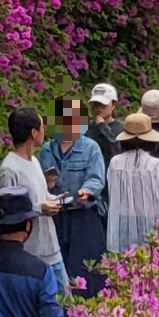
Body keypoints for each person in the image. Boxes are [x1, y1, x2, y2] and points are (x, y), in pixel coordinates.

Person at [40, 100, 109, 295]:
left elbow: (96, 179)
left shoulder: (90, 148)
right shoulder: (47, 149)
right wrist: (48, 184)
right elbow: (47, 177)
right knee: (58, 265)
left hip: (83, 216)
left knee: (86, 271)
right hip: (57, 215)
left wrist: (86, 192)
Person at [0, 108, 63, 276]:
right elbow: (6, 213)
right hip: (29, 252)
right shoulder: (9, 169)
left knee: (67, 300)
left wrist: (58, 200)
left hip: (51, 248)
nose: (44, 130)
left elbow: (42, 196)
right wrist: (40, 209)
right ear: (33, 132)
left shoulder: (34, 161)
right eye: (41, 126)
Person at [105, 110, 159, 254]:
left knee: (123, 265)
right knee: (149, 264)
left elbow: (112, 191)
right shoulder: (155, 165)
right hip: (150, 221)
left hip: (122, 223)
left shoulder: (115, 162)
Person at [85, 83, 122, 157]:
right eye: (95, 104)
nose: (99, 108)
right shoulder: (87, 128)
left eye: (103, 104)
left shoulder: (121, 128)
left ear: (114, 105)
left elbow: (117, 151)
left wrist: (103, 127)